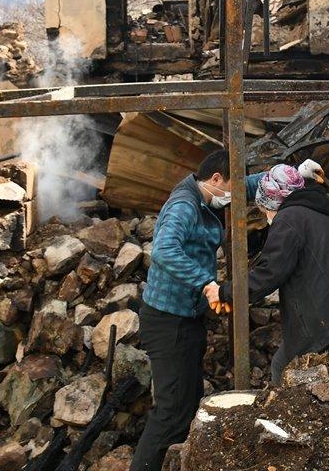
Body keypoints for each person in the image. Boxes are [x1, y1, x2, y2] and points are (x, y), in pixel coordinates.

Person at [130, 150, 264, 471]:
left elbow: (247, 185)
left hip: (187, 319)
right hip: (168, 322)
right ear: (216, 179)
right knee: (171, 411)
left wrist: (295, 173)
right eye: (229, 188)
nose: (233, 197)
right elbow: (163, 250)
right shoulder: (184, 206)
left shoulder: (207, 193)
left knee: (188, 404)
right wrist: (206, 283)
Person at [212, 161, 329, 383]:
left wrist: (224, 292)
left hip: (328, 319)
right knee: (325, 369)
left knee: (282, 367)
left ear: (272, 202)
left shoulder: (288, 219)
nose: (265, 215)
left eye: (264, 209)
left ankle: (288, 416)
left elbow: (270, 273)